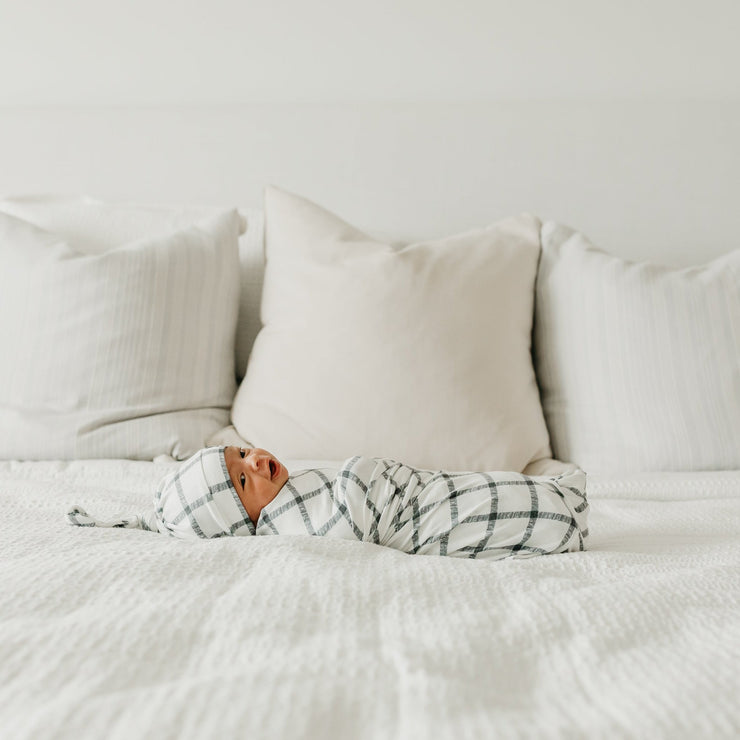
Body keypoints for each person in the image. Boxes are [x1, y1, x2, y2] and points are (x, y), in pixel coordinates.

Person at [68, 446, 589, 560]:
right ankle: (553, 514)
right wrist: (358, 484)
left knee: (468, 487)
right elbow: (342, 531)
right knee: (471, 510)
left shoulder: (292, 484)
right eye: (243, 481)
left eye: (242, 452)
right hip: (409, 516)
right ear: (242, 521)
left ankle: (554, 498)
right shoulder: (285, 526)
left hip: (419, 489)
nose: (257, 462)